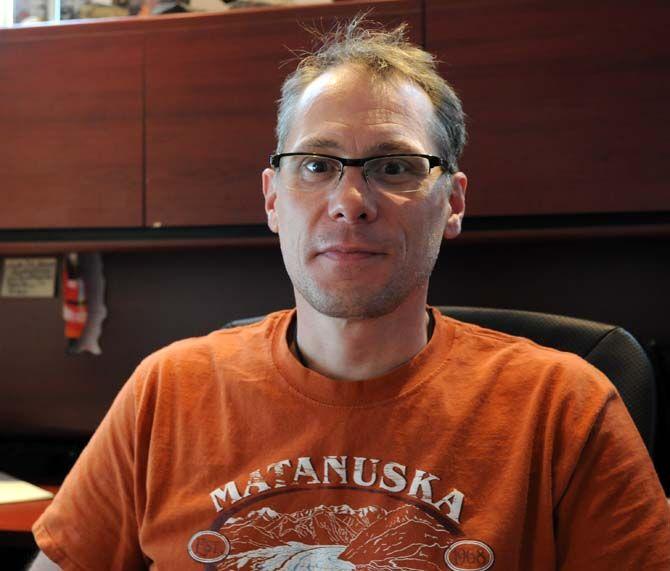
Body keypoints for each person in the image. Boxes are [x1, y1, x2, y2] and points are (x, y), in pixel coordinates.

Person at [30, 17, 670, 571]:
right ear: (273, 198)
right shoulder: (165, 393)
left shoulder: (565, 409)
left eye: (395, 166)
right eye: (317, 164)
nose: (350, 203)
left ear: (453, 202)